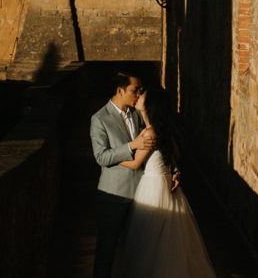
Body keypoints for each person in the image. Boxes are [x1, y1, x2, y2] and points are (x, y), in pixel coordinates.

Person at [113, 86, 216, 278]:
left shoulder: (150, 132)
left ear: (150, 105)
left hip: (153, 187)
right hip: (164, 182)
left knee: (152, 240)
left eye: (142, 94)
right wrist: (172, 171)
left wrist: (110, 156)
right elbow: (175, 153)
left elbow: (135, 163)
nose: (138, 96)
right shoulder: (160, 130)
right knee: (167, 240)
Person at [90, 72, 156, 278]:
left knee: (139, 248)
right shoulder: (99, 118)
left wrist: (174, 170)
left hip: (142, 194)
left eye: (140, 90)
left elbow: (157, 145)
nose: (139, 94)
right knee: (107, 250)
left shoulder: (138, 114)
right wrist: (131, 146)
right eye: (135, 90)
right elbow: (101, 157)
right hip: (113, 195)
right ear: (120, 90)